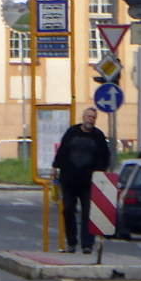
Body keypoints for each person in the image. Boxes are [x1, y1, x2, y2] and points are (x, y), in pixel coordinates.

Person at [51, 107, 112, 254]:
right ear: (83, 117)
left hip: (89, 183)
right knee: (68, 210)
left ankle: (87, 245)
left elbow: (105, 157)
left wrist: (101, 173)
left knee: (87, 213)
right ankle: (71, 243)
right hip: (69, 181)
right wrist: (55, 167)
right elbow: (62, 151)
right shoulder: (72, 132)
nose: (91, 119)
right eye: (89, 116)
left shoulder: (98, 136)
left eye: (93, 117)